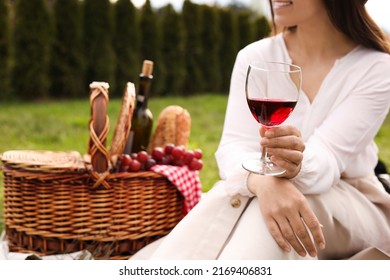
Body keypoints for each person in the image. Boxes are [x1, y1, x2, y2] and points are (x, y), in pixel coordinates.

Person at [132, 0, 390, 260]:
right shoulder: (256, 57)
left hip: (351, 200)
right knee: (256, 203)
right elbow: (233, 146)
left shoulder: (377, 67)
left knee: (269, 214)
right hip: (263, 188)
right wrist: (263, 183)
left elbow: (329, 158)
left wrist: (295, 165)